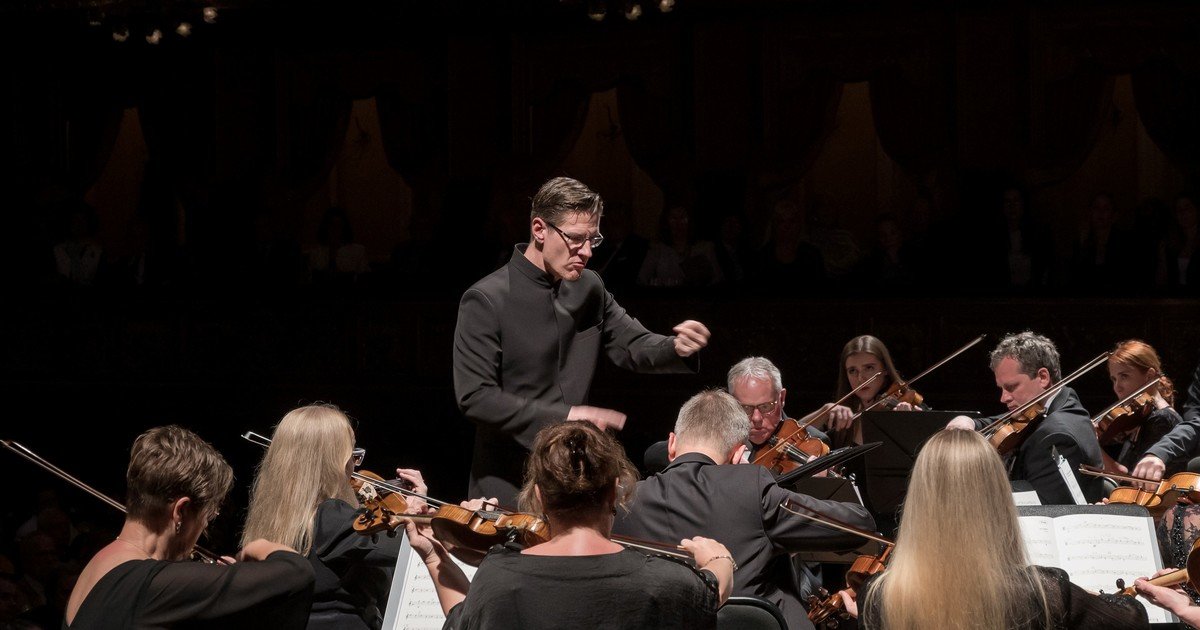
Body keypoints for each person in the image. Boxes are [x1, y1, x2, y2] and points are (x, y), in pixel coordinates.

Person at [453, 176, 711, 504]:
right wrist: (568, 416)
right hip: (508, 479)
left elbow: (632, 343)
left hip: (575, 475)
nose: (587, 251)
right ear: (539, 229)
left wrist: (674, 347)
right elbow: (476, 397)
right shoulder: (486, 299)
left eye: (594, 239)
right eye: (576, 238)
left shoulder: (589, 286)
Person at [406, 421, 731, 629]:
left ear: (539, 497)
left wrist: (435, 559)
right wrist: (719, 559)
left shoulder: (497, 580)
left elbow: (462, 621)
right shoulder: (665, 583)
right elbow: (712, 591)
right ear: (613, 491)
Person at [613, 389, 876, 630]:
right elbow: (858, 525)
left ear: (671, 444)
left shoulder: (625, 500)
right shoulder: (751, 485)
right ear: (740, 454)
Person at [845, 429, 1148, 629]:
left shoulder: (879, 597)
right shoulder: (1044, 591)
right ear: (997, 499)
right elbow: (1133, 621)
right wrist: (1101, 597)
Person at [65, 425, 314, 629]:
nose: (205, 528)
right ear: (181, 511)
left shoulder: (98, 564)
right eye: (208, 516)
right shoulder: (153, 584)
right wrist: (256, 547)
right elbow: (296, 573)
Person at [241, 404, 429, 630]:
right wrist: (412, 515)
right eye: (352, 455)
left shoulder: (274, 518)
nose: (354, 467)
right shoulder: (331, 517)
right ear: (334, 462)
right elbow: (407, 549)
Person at [947, 332, 1105, 504]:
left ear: (1043, 377)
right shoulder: (1063, 401)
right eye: (1001, 388)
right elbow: (1007, 420)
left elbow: (1041, 509)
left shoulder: (1056, 436)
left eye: (1011, 387)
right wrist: (968, 422)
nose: (1003, 398)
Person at [1102, 340, 1197, 481]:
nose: (1117, 387)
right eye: (1114, 379)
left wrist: (1094, 447)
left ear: (1149, 375)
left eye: (1124, 376)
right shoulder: (1140, 416)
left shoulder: (1162, 419)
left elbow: (1133, 484)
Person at [822, 335, 922, 449]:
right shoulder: (839, 418)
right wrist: (824, 410)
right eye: (852, 370)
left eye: (869, 368)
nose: (861, 378)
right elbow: (799, 438)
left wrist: (914, 425)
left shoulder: (906, 402)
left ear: (885, 369)